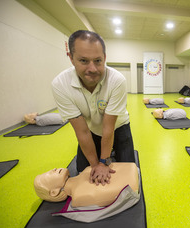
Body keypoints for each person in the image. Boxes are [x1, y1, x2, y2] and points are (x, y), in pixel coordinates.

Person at [51, 30, 135, 185]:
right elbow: (82, 131)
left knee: (128, 173)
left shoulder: (117, 80)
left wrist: (103, 162)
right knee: (84, 171)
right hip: (90, 130)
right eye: (83, 61)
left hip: (119, 127)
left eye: (98, 60)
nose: (93, 69)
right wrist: (95, 164)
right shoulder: (60, 85)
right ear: (71, 58)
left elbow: (108, 128)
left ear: (105, 58)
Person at [34, 163, 139, 207]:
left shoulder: (85, 171)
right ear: (54, 192)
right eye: (47, 176)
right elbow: (130, 188)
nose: (53, 169)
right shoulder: (80, 197)